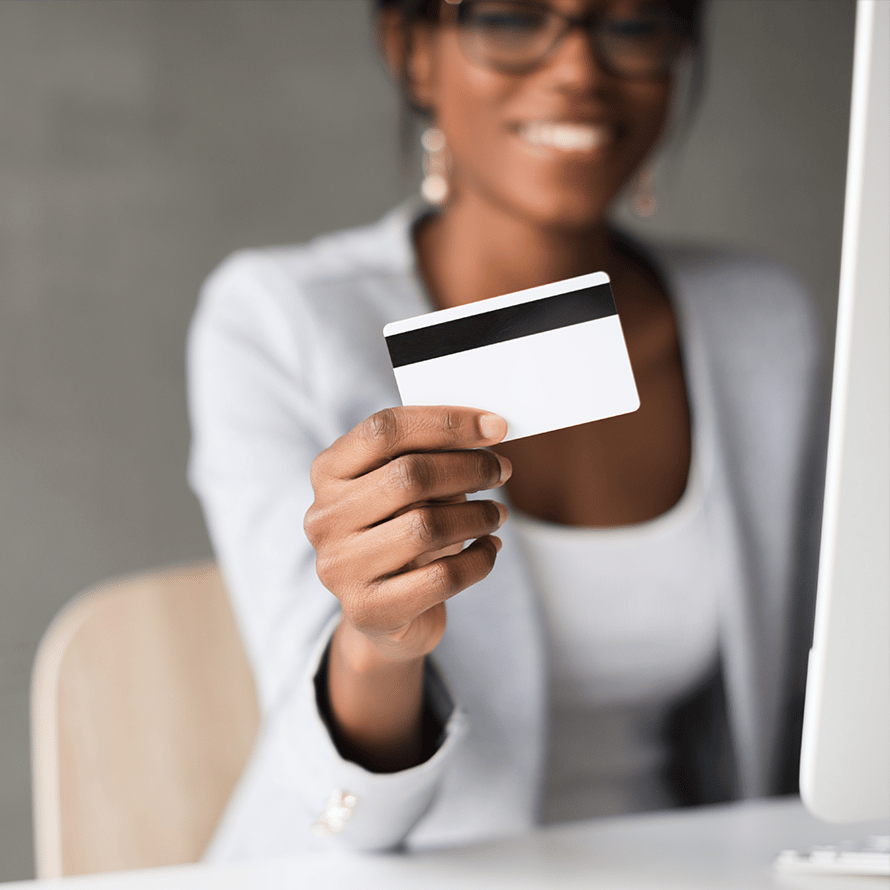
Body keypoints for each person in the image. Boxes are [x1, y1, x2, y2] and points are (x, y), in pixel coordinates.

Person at [187, 0, 827, 861]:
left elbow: (815, 710)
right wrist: (380, 641)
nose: (578, 69)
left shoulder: (761, 324)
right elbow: (350, 808)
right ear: (413, 48)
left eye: (633, 24)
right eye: (515, 16)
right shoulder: (282, 321)